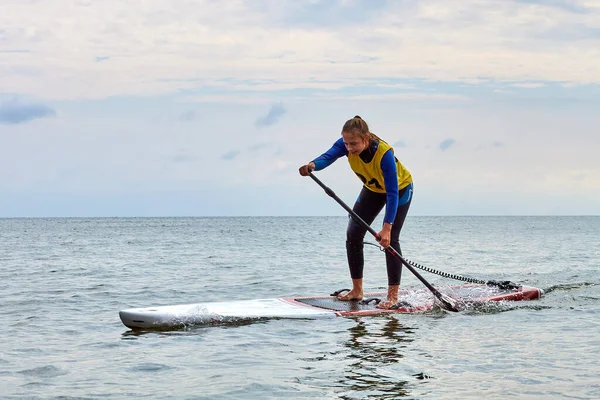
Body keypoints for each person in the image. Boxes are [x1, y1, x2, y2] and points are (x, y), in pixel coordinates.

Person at [299, 115, 413, 309]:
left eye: (354, 144)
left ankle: (392, 296)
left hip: (399, 190)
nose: (349, 148)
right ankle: (357, 290)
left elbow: (392, 193)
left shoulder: (384, 154)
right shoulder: (345, 144)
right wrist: (312, 165)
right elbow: (328, 156)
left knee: (391, 239)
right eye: (346, 143)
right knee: (353, 234)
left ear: (366, 139)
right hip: (373, 190)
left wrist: (386, 228)